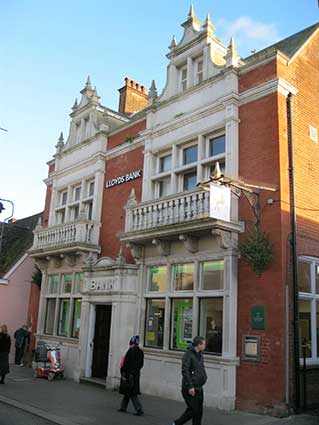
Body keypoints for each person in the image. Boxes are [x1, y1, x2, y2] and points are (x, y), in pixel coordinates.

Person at [172, 336, 207, 425]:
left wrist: (204, 377)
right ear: (199, 345)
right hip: (189, 388)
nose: (205, 346)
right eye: (203, 344)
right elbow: (185, 371)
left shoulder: (200, 355)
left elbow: (201, 368)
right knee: (193, 410)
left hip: (199, 387)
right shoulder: (188, 354)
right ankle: (176, 423)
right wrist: (190, 386)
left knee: (199, 412)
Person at [118, 335, 144, 416]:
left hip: (130, 374)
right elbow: (141, 364)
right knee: (128, 391)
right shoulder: (140, 352)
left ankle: (139, 409)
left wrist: (123, 372)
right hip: (136, 374)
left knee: (132, 392)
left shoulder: (130, 351)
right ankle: (123, 407)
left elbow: (126, 363)